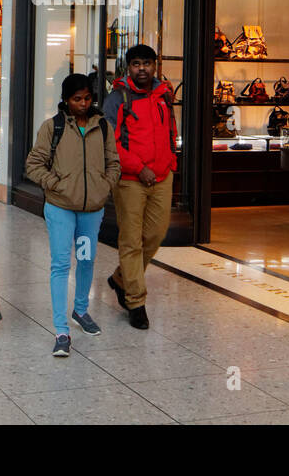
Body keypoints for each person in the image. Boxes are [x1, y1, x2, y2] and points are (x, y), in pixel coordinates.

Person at [24, 73, 120, 357]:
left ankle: (81, 311)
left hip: (91, 211)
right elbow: (34, 164)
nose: (83, 103)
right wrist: (57, 185)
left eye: (87, 98)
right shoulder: (51, 127)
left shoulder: (102, 126)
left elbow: (113, 162)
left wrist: (105, 186)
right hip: (60, 209)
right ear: (66, 100)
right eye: (77, 99)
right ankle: (61, 329)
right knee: (61, 264)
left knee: (87, 259)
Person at [101, 44, 177, 330]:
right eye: (136, 64)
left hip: (162, 176)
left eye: (147, 63)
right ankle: (135, 301)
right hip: (131, 179)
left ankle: (121, 277)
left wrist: (170, 162)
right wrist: (138, 167)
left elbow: (171, 129)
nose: (142, 68)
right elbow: (110, 141)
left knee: (155, 235)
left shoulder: (163, 94)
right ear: (128, 67)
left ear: (154, 66)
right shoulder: (116, 98)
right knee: (132, 240)